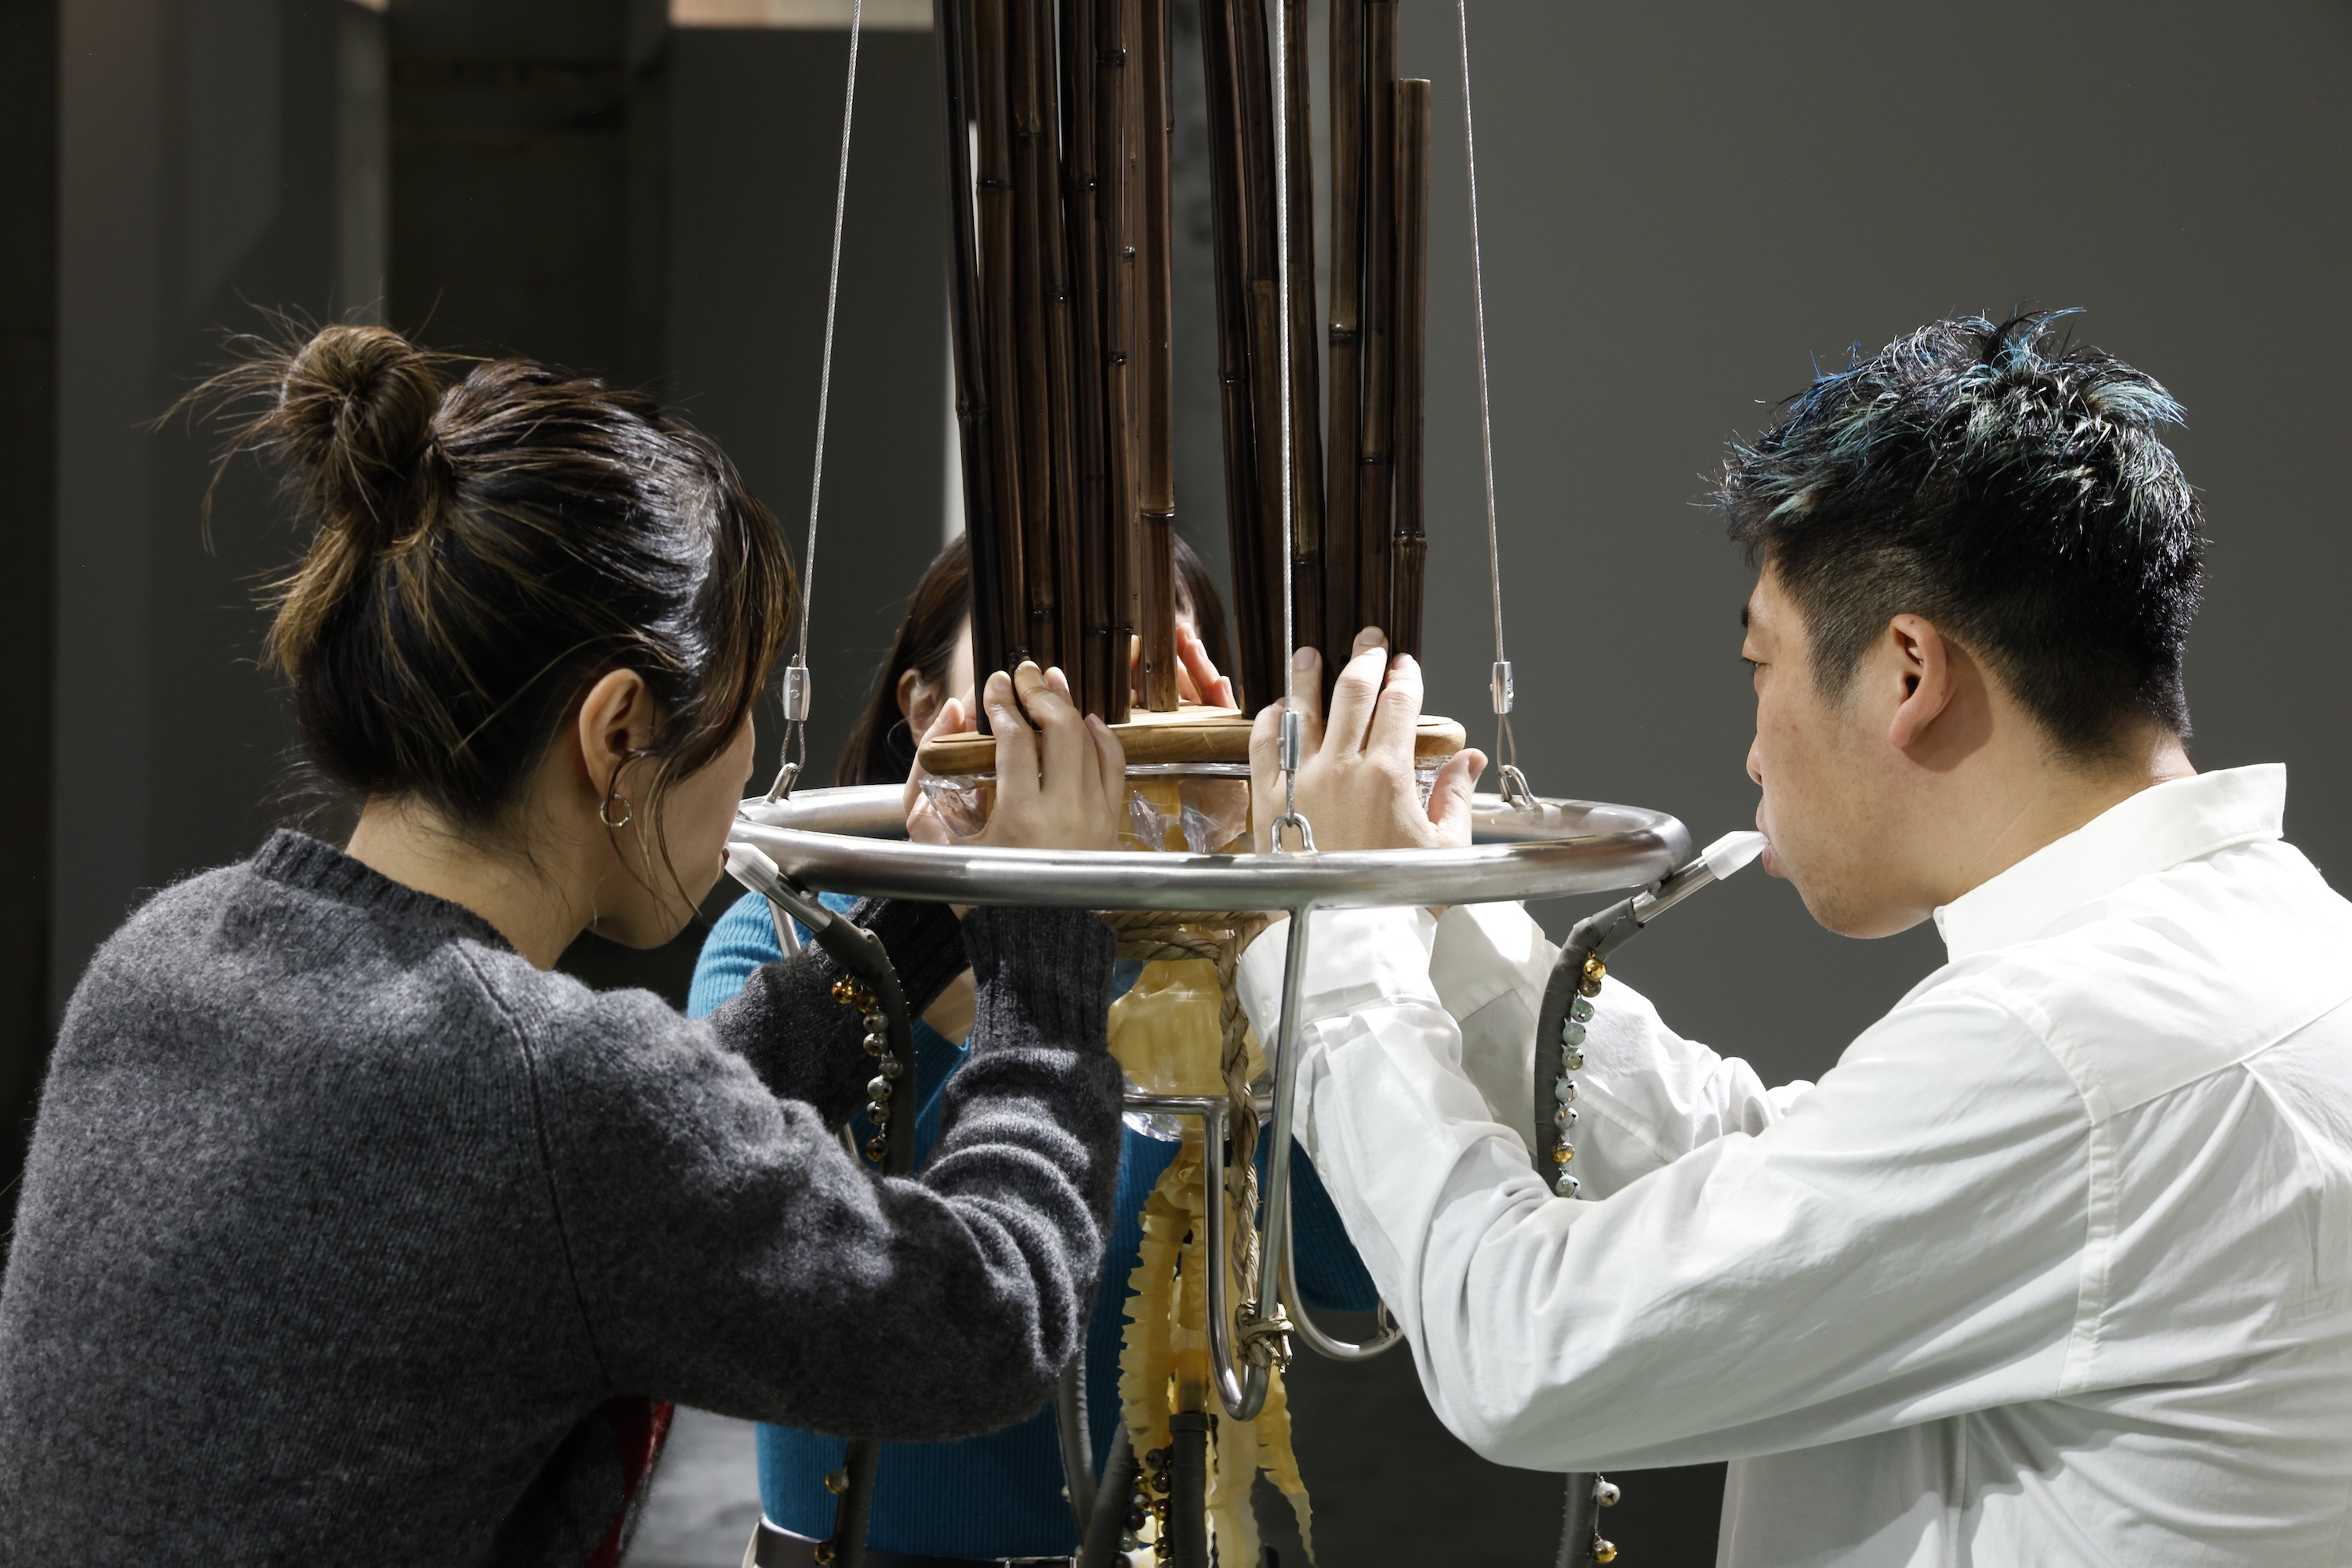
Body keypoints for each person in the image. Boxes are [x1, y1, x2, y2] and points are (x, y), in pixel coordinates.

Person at [0, 325, 1137, 1567]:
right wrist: (1046, 931)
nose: (753, 759)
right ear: (619, 730)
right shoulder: (551, 1105)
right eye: (743, 707)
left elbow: (581, 1168)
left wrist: (924, 924)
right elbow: (992, 1321)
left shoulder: (159, 961)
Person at [1234, 314, 2352, 1565]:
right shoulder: (2265, 942)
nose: (1755, 753)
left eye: (1759, 665)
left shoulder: (2069, 1045)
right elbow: (1788, 1181)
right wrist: (1437, 920)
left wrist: (1342, 934)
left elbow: (1529, 1350)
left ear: (1909, 672)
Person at [695, 533, 1380, 1565]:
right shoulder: (789, 941)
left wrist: (1264, 928)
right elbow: (728, 1251)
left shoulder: (1235, 971)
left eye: (1145, 684)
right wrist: (984, 929)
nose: (1090, 730)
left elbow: (1353, 1279)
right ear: (926, 710)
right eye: (1047, 672)